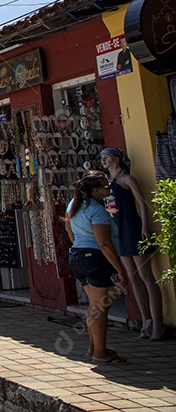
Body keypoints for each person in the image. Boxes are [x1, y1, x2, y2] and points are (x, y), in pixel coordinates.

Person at [100, 147, 164, 340]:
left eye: (107, 156)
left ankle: (158, 322)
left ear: (118, 159)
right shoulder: (107, 183)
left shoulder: (127, 180)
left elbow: (142, 203)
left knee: (146, 275)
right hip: (119, 233)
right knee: (132, 277)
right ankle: (146, 320)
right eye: (102, 157)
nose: (104, 160)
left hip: (132, 229)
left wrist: (145, 226)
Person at [65, 170, 128, 364]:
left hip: (77, 256)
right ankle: (100, 352)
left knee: (94, 305)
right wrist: (120, 270)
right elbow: (104, 243)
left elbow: (69, 230)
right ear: (96, 190)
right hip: (95, 258)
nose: (108, 189)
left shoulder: (73, 206)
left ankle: (94, 347)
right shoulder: (97, 211)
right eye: (106, 187)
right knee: (100, 307)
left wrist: (80, 247)